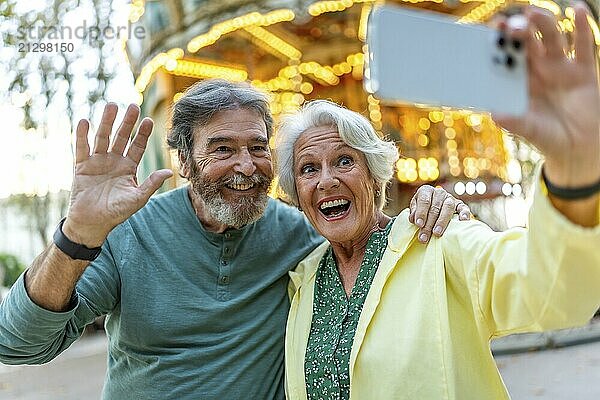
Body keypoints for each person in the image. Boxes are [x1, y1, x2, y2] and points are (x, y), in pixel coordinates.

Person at [0, 79, 468, 399]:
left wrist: (437, 206)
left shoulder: (303, 236)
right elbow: (16, 343)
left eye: (257, 147)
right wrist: (77, 234)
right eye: (223, 149)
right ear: (185, 161)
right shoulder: (128, 233)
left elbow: (373, 233)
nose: (246, 166)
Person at [278, 4, 600, 399]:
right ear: (296, 194)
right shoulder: (302, 281)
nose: (326, 180)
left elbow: (550, 291)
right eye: (308, 169)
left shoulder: (438, 237)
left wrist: (576, 172)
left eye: (345, 161)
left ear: (377, 174)